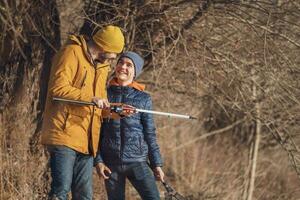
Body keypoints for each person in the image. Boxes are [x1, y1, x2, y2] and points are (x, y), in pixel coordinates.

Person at [41, 25, 125, 200]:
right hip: (64, 132)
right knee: (60, 191)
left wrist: (115, 111)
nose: (115, 58)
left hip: (87, 141)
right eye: (114, 53)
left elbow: (100, 104)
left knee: (84, 196)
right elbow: (58, 90)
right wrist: (91, 98)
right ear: (104, 46)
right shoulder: (71, 52)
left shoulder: (103, 67)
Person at [94, 51, 165, 200]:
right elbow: (95, 131)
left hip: (137, 163)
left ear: (135, 72)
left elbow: (149, 133)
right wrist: (99, 161)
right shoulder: (103, 94)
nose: (123, 67)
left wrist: (156, 163)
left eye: (129, 65)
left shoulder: (144, 98)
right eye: (121, 62)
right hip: (111, 165)